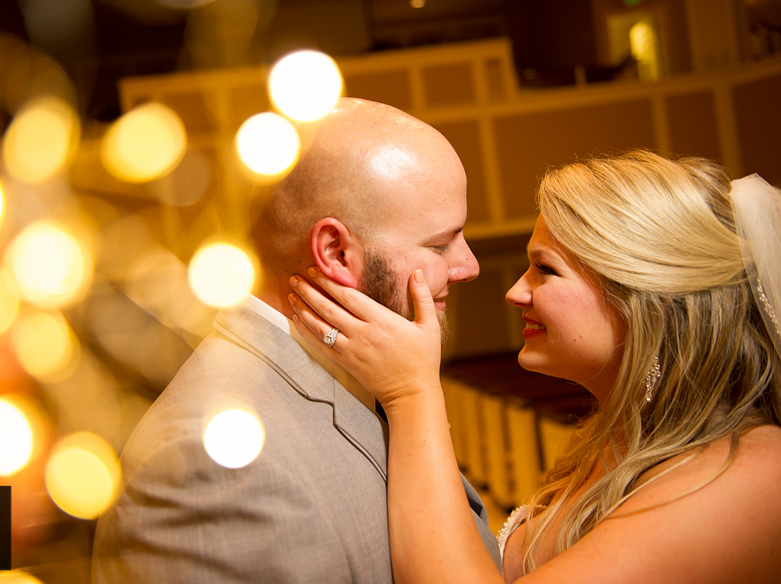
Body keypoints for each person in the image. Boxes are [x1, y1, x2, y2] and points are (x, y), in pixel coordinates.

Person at [287, 150, 781, 583]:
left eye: (545, 269)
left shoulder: (755, 473)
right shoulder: (611, 440)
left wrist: (412, 394)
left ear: (649, 298)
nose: (514, 292)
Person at [92, 97, 501, 583]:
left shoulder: (374, 372)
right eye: (439, 244)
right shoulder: (213, 467)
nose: (469, 266)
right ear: (335, 252)